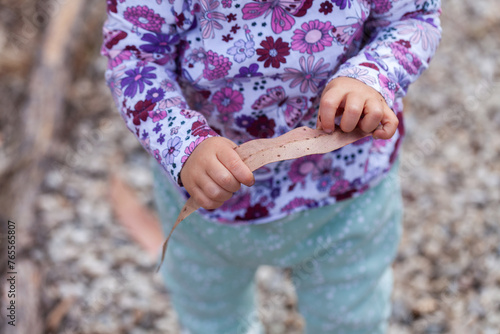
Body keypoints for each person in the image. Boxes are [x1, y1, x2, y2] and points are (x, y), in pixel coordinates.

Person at [102, 0, 441, 333]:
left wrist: (372, 75)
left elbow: (414, 16)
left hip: (345, 193)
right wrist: (182, 143)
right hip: (209, 195)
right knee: (211, 313)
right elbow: (133, 54)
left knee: (349, 316)